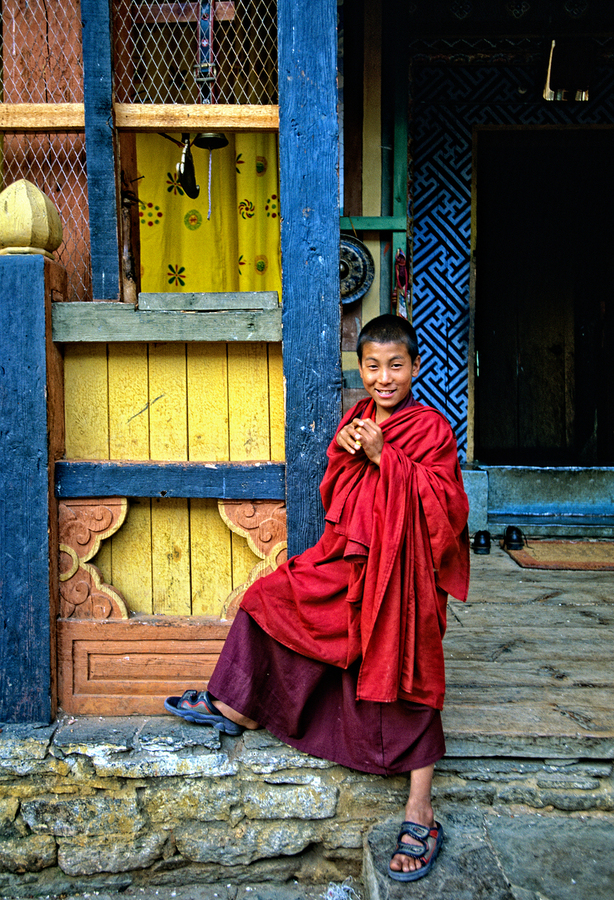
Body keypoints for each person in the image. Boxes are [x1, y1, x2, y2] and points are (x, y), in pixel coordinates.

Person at [165, 314, 469, 882]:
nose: (384, 378)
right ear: (361, 369)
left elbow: (447, 510)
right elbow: (334, 487)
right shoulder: (355, 420)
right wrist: (353, 449)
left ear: (416, 368)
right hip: (347, 561)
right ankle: (238, 706)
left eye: (396, 366)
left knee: (412, 665)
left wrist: (387, 458)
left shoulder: (430, 431)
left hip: (401, 574)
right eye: (373, 366)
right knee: (269, 598)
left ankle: (420, 810)